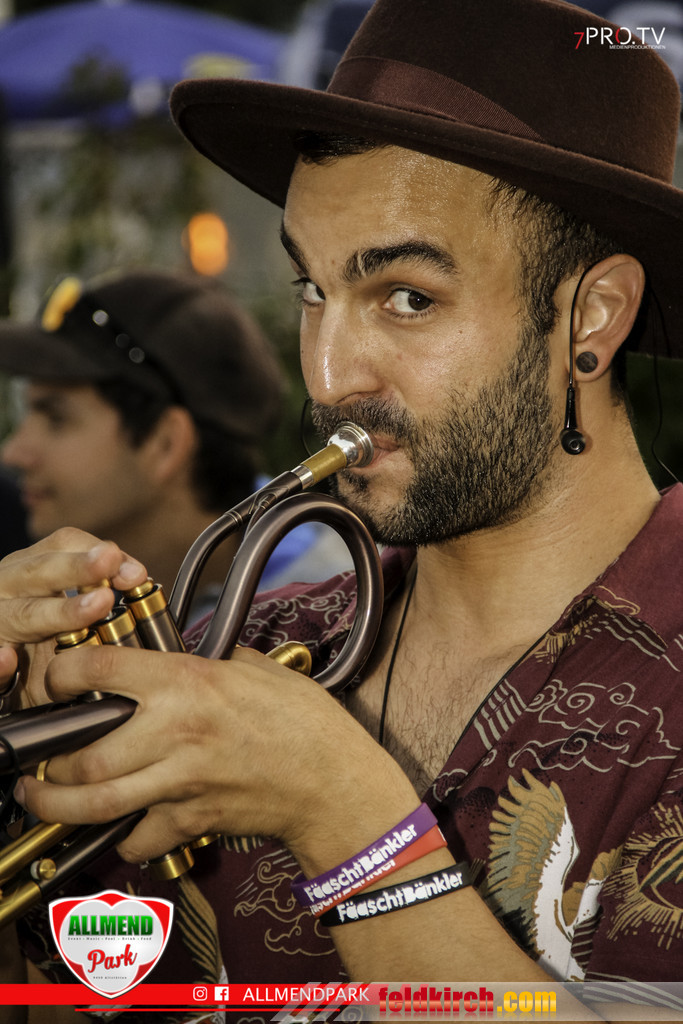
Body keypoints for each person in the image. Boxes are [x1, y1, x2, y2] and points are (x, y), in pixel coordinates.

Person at [1, 0, 683, 1019]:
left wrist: (349, 822)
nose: (328, 374)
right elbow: (72, 994)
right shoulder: (260, 644)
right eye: (311, 289)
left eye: (406, 297)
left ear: (590, 314)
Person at [0, 268, 335, 623]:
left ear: (165, 444)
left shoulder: (328, 616)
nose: (12, 453)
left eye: (56, 419)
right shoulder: (77, 587)